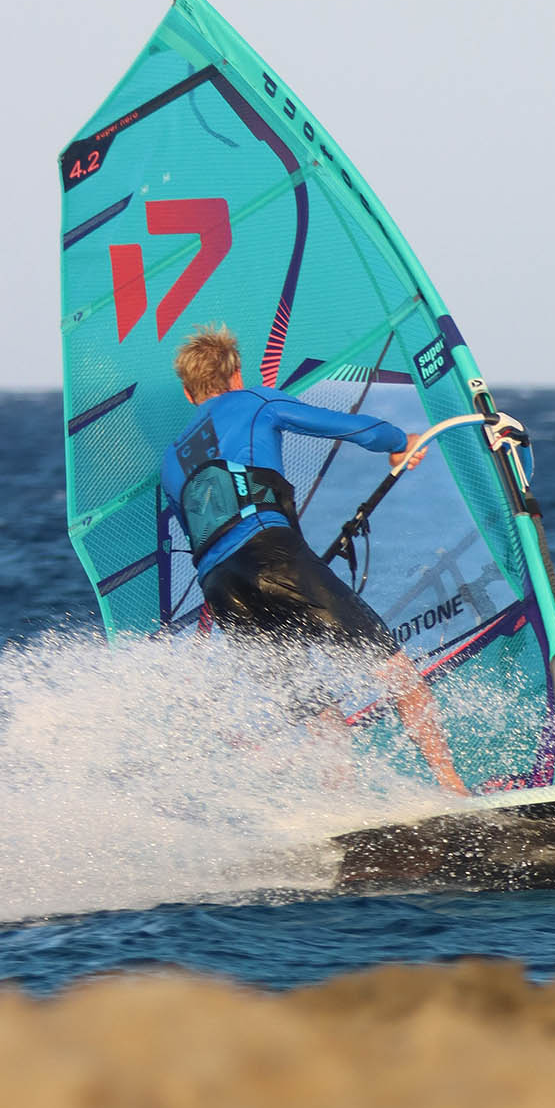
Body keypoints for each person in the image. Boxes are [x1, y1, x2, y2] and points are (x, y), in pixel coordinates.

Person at [159, 324, 469, 796]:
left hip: (221, 590)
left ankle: (335, 807)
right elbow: (346, 425)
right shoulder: (254, 401)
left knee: (316, 710)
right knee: (396, 673)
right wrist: (398, 441)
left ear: (188, 392)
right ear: (237, 374)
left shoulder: (170, 460)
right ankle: (454, 790)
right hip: (271, 556)